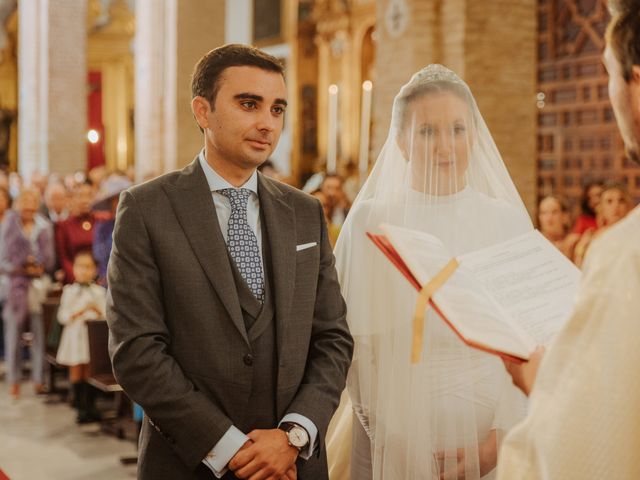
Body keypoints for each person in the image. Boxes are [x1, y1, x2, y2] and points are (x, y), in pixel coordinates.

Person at [106, 44, 353, 480]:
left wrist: (294, 434)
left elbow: (332, 337)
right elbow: (137, 351)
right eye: (248, 104)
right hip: (191, 464)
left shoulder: (304, 212)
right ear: (203, 111)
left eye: (277, 109)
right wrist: (230, 448)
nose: (267, 123)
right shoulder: (147, 209)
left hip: (293, 464)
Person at [330, 64, 532, 479]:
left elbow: (530, 341)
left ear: (474, 135)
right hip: (392, 432)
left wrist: (500, 438)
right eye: (427, 131)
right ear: (401, 141)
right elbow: (350, 342)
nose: (446, 147)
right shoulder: (372, 220)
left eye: (458, 129)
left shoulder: (506, 221)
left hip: (490, 434)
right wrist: (393, 433)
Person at [497, 1, 640, 478]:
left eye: (609, 74)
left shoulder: (627, 253)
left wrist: (537, 380)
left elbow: (578, 454)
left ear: (636, 85)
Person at [0, 188, 55, 399]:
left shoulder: (44, 226)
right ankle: (14, 380)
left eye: (33, 200)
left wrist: (38, 267)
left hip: (38, 287)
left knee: (39, 333)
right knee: (13, 333)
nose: (29, 205)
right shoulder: (9, 226)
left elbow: (49, 261)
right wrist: (22, 267)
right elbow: (3, 260)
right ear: (18, 203)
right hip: (15, 286)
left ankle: (38, 378)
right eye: (25, 200)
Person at [56, 251, 106, 423]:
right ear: (74, 269)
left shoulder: (99, 292)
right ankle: (79, 407)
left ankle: (91, 405)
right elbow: (62, 316)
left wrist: (97, 310)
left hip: (91, 338)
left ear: (94, 270)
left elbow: (106, 315)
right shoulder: (69, 291)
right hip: (75, 337)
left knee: (90, 371)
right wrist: (79, 311)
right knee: (77, 370)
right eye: (80, 266)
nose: (83, 271)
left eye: (88, 267)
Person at [55, 181, 96, 283]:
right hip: (74, 279)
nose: (85, 200)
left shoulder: (101, 221)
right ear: (72, 199)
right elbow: (63, 258)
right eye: (80, 196)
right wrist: (78, 278)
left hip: (100, 279)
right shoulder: (64, 225)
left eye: (89, 196)